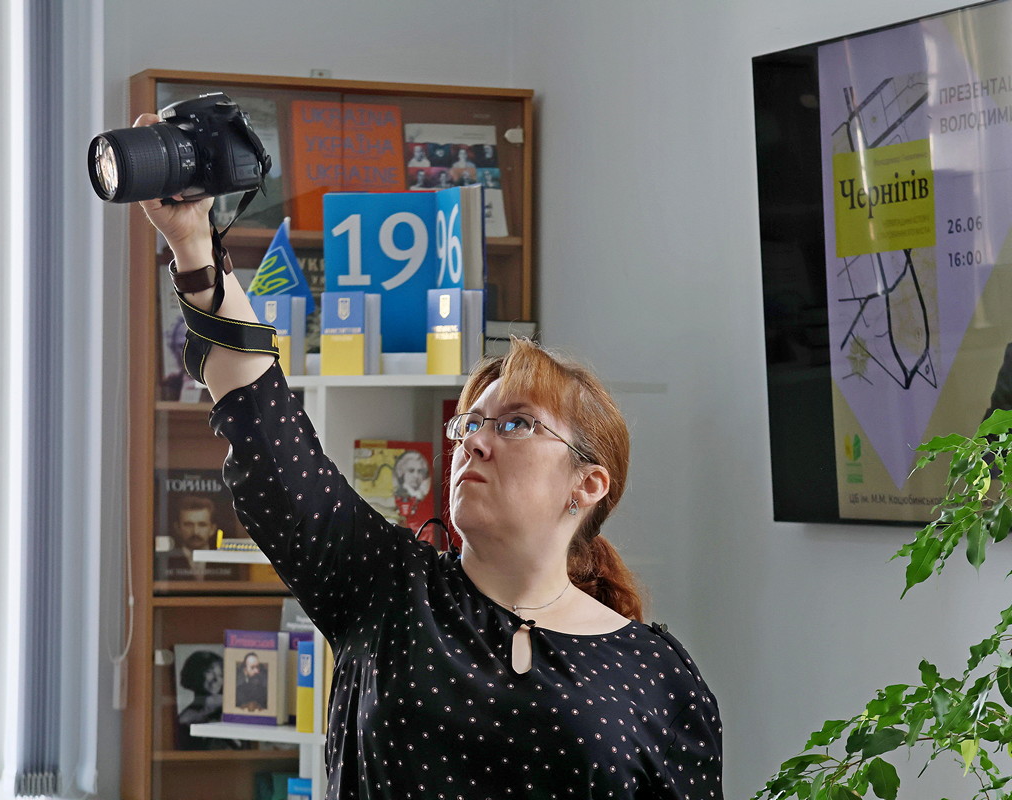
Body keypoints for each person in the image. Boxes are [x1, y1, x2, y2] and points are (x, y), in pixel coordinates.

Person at [135, 113, 722, 799]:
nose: (473, 440)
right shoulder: (384, 586)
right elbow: (266, 428)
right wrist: (193, 244)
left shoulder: (659, 674)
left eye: (517, 424)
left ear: (588, 484)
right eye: (471, 423)